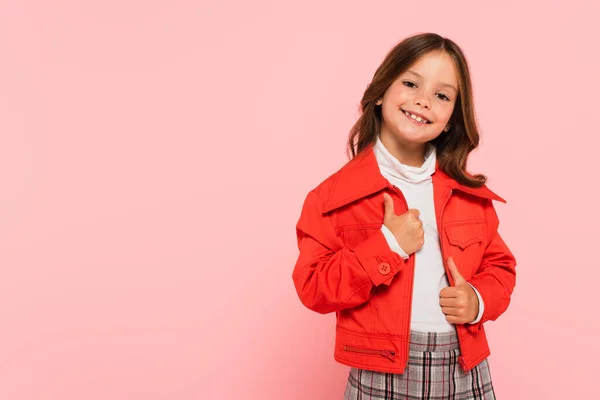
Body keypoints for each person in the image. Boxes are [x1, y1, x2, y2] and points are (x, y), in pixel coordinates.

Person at [291, 32, 517, 399]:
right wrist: (388, 245)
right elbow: (313, 287)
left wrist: (477, 299)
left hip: (465, 366)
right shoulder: (331, 197)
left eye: (442, 95)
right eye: (411, 83)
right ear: (380, 92)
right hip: (380, 372)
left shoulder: (468, 194)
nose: (423, 100)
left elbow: (501, 267)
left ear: (451, 119)